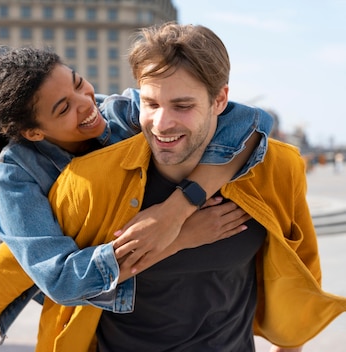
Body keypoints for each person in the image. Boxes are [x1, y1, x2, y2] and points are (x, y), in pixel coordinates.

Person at [0, 46, 273, 351]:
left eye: (79, 83)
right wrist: (178, 237)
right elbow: (60, 279)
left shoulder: (120, 110)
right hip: (94, 316)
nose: (86, 105)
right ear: (34, 132)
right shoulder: (16, 174)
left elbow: (249, 120)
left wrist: (177, 209)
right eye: (64, 108)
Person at [35, 23, 345, 351]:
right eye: (151, 104)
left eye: (182, 106)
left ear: (220, 100)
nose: (162, 123)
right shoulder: (88, 180)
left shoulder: (276, 168)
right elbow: (56, 292)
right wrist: (177, 236)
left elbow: (300, 278)